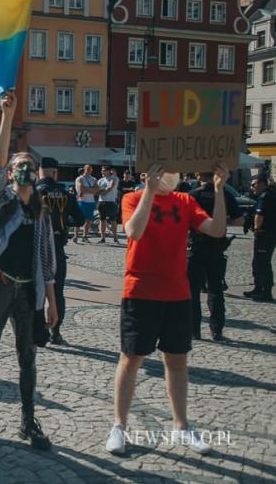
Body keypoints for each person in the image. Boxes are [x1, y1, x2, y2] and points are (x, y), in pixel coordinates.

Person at [104, 163, 229, 457]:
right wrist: (149, 190)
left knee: (177, 361)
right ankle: (119, 426)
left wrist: (220, 190)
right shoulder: (132, 198)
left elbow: (217, 229)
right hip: (141, 290)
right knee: (131, 358)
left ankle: (181, 426)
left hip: (176, 293)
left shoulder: (185, 201)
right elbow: (134, 230)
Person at [0, 92, 58, 452]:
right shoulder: (1, 200)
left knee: (28, 358)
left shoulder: (40, 211)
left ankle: (27, 420)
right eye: (19, 165)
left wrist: (51, 303)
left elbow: (48, 262)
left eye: (29, 166)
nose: (24, 169)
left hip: (27, 293)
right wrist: (8, 116)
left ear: (35, 174)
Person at [187, 172, 245, 341]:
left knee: (192, 291)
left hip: (195, 248)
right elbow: (240, 220)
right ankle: (216, 330)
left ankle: (193, 331)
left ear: (198, 176)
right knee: (215, 290)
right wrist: (221, 222)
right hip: (216, 247)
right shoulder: (225, 194)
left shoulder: (193, 195)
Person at [36, 157, 84, 345]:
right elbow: (79, 220)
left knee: (36, 290)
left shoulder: (34, 193)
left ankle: (39, 332)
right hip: (57, 246)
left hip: (37, 247)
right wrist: (64, 224)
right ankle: (56, 332)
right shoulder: (66, 194)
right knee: (58, 291)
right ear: (55, 172)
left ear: (40, 171)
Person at [247, 174, 276, 302]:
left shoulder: (264, 197)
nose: (252, 187)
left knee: (263, 263)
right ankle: (258, 288)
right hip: (268, 234)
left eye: (254, 184)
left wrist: (256, 229)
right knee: (258, 262)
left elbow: (259, 214)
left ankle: (266, 292)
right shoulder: (268, 195)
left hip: (264, 234)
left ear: (263, 184)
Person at [75, 164, 100, 242]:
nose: (89, 171)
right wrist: (92, 190)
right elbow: (81, 189)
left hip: (91, 202)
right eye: (87, 169)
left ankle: (84, 236)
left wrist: (88, 190)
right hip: (81, 201)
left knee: (89, 220)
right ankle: (76, 236)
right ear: (84, 169)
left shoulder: (94, 179)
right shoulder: (80, 178)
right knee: (79, 219)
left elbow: (97, 190)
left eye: (90, 169)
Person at [97, 166, 120, 243]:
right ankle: (102, 237)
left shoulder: (114, 178)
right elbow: (96, 190)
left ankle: (115, 237)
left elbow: (110, 187)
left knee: (113, 220)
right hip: (101, 201)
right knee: (102, 219)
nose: (102, 172)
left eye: (104, 171)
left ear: (108, 171)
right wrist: (100, 192)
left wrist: (102, 192)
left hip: (110, 201)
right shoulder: (100, 180)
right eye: (101, 170)